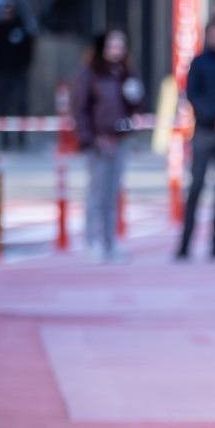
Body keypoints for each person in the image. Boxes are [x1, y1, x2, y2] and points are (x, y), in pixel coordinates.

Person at [72, 29, 143, 263]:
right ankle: (92, 239)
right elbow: (80, 109)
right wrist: (89, 138)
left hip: (119, 138)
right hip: (98, 141)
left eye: (120, 45)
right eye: (112, 45)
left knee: (113, 193)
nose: (117, 50)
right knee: (97, 192)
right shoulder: (90, 74)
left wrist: (135, 100)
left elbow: (134, 105)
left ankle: (110, 240)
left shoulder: (125, 73)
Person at [176, 19, 215, 260]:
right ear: (209, 35)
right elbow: (193, 95)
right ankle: (185, 243)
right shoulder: (199, 62)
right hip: (204, 131)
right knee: (196, 187)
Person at [0, 1, 34, 150]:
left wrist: (24, 67)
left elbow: (29, 50)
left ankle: (21, 136)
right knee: (2, 104)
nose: (6, 15)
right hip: (1, 73)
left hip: (18, 73)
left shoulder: (21, 29)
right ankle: (4, 138)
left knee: (20, 104)